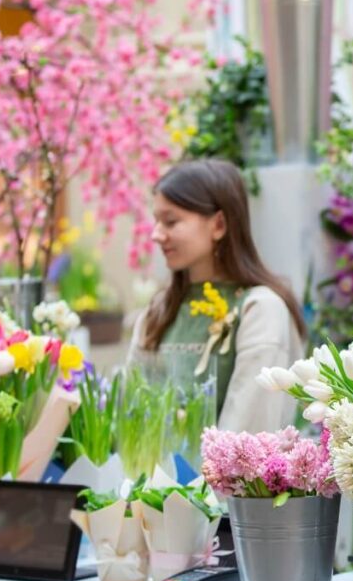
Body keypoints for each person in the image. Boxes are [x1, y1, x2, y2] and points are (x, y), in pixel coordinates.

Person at [126, 159, 304, 433]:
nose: (156, 235)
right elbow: (131, 414)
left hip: (222, 475)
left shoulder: (258, 309)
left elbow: (246, 438)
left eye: (171, 221)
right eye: (156, 221)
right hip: (145, 477)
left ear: (219, 224)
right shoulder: (158, 311)